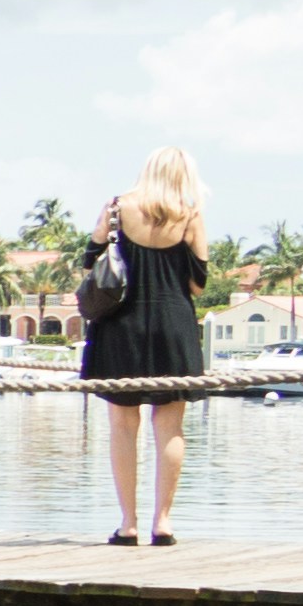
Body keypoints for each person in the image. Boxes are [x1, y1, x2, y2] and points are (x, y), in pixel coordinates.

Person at [81, 147, 221, 544]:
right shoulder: (190, 215)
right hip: (173, 324)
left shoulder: (115, 209)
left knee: (123, 426)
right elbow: (198, 284)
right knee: (170, 426)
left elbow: (91, 266)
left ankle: (128, 524)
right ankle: (163, 522)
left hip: (121, 325)